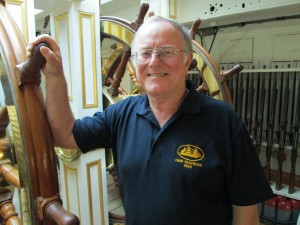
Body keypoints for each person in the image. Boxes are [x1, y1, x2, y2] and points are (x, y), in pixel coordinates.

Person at [26, 16, 273, 225]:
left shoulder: (223, 121)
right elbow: (66, 136)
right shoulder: (121, 114)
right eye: (145, 53)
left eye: (167, 52)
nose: (154, 61)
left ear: (187, 60)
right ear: (135, 62)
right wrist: (55, 76)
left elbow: (245, 208)